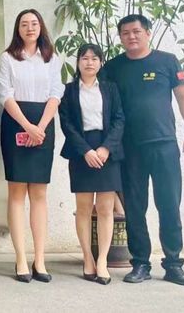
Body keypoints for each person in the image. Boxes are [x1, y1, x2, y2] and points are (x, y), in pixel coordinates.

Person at [103, 14, 184, 286]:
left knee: (169, 203)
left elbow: (183, 97)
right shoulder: (112, 67)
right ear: (120, 37)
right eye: (125, 33)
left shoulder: (167, 61)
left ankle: (173, 264)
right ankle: (140, 263)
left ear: (147, 33)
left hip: (163, 143)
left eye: (136, 31)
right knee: (135, 207)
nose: (131, 36)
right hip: (129, 148)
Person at [0, 8, 63, 283]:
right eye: (24, 24)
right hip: (16, 122)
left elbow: (56, 93)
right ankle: (21, 259)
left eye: (34, 23)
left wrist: (41, 126)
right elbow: (4, 94)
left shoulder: (52, 58)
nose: (29, 28)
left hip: (44, 123)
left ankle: (40, 259)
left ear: (41, 27)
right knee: (16, 192)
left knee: (39, 193)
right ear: (18, 29)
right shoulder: (8, 58)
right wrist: (27, 126)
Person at [58, 43, 124, 285]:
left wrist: (106, 148)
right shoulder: (68, 91)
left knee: (106, 208)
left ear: (101, 62)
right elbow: (66, 124)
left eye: (94, 58)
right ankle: (88, 257)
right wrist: (85, 150)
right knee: (84, 208)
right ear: (78, 62)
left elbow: (119, 119)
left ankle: (103, 260)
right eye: (84, 58)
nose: (89, 62)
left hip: (107, 151)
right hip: (81, 151)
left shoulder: (110, 88)